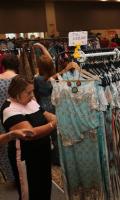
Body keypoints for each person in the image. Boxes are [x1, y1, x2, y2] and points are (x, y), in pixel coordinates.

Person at [1, 75, 57, 200]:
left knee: (44, 188)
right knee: (30, 192)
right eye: (29, 92)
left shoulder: (30, 101)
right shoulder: (9, 109)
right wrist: (52, 125)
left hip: (42, 153)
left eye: (32, 91)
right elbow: (31, 133)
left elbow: (47, 114)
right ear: (17, 93)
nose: (32, 95)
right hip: (27, 158)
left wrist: (50, 122)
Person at [33, 43, 59, 165]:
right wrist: (42, 47)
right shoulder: (54, 76)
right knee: (56, 133)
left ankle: (48, 158)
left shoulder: (37, 78)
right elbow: (49, 62)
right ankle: (57, 158)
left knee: (45, 134)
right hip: (54, 104)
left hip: (43, 106)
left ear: (40, 67)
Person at [0, 54, 20, 183]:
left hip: (1, 119)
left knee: (4, 148)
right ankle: (20, 175)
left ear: (3, 65)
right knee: (19, 147)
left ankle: (11, 177)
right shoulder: (21, 80)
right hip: (18, 118)